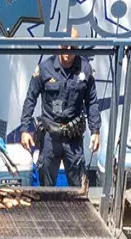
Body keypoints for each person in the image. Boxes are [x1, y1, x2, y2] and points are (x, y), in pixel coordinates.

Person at [17, 29, 101, 186]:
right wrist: (24, 129)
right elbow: (30, 99)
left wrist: (95, 130)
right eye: (65, 45)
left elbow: (92, 102)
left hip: (73, 137)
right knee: (46, 188)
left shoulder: (85, 69)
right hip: (50, 137)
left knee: (77, 189)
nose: (68, 50)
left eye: (73, 46)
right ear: (59, 44)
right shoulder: (44, 68)